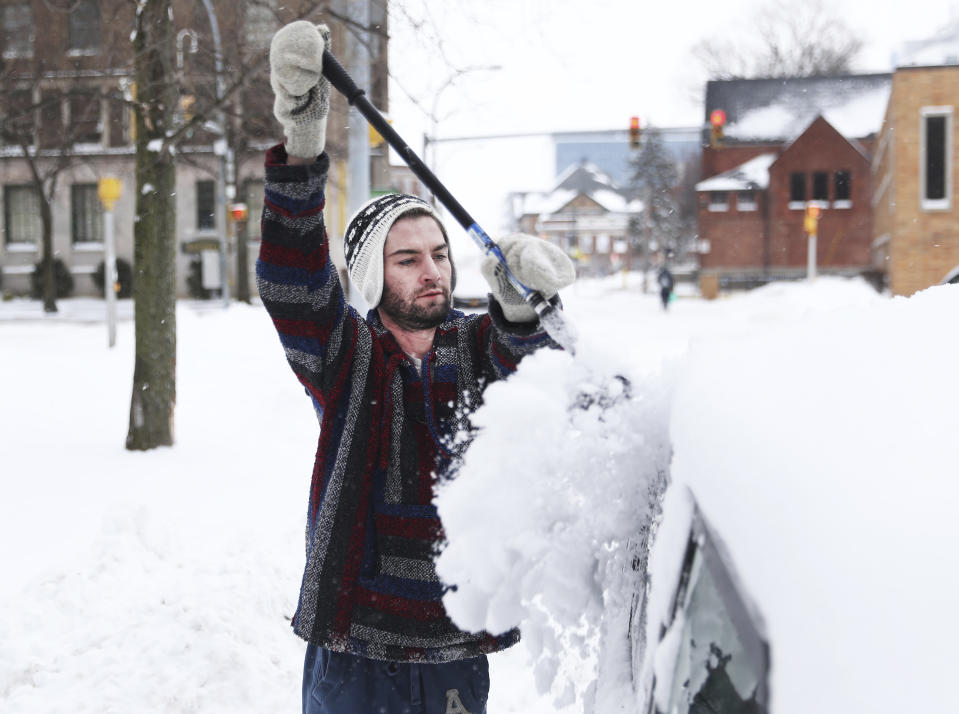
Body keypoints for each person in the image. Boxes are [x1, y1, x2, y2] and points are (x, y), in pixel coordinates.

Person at [258, 21, 576, 714]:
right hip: (354, 654)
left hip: (453, 652)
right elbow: (292, 283)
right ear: (373, 279)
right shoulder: (349, 358)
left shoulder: (481, 345)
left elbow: (555, 387)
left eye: (438, 253)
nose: (432, 271)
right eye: (408, 259)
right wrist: (303, 147)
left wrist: (528, 308)